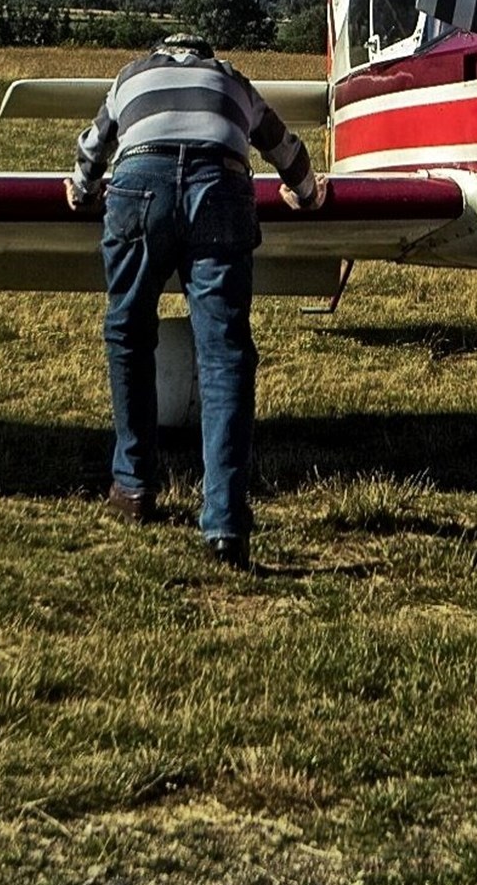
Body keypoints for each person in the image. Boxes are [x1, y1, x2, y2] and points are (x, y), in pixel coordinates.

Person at [65, 30, 325, 568]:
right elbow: (285, 148)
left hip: (140, 185)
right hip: (220, 190)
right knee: (225, 353)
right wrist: (307, 193)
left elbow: (93, 148)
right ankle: (225, 523)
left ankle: (133, 485)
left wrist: (83, 189)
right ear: (206, 55)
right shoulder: (232, 79)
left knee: (128, 330)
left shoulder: (131, 76)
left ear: (162, 53)